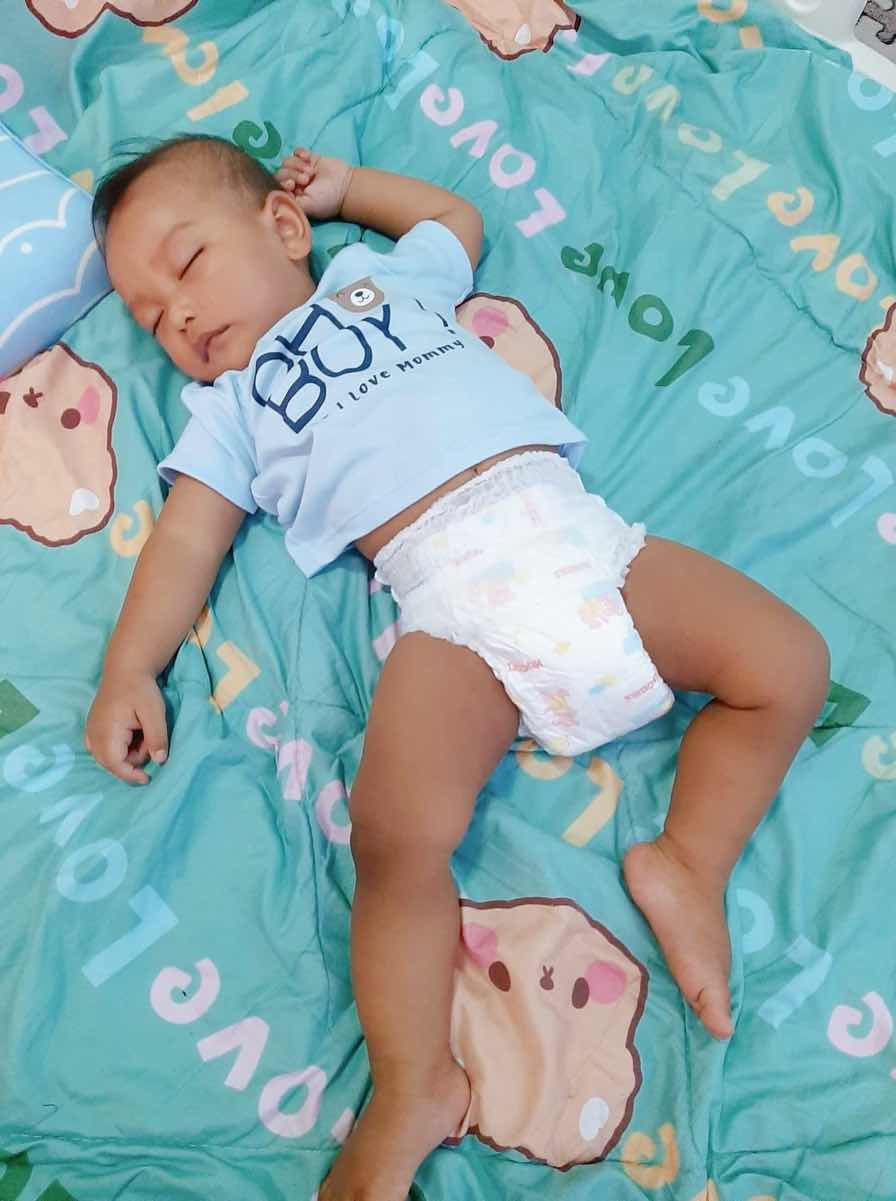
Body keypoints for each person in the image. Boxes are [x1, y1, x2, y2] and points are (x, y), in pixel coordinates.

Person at [84, 135, 830, 1201]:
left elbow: (454, 222)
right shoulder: (233, 409)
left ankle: (687, 862)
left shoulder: (375, 280)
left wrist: (349, 190)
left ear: (282, 227)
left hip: (579, 541)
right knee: (394, 835)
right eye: (152, 318)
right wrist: (129, 667)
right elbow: (184, 542)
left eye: (186, 265)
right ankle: (412, 1082)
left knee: (788, 664)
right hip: (446, 601)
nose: (180, 318)